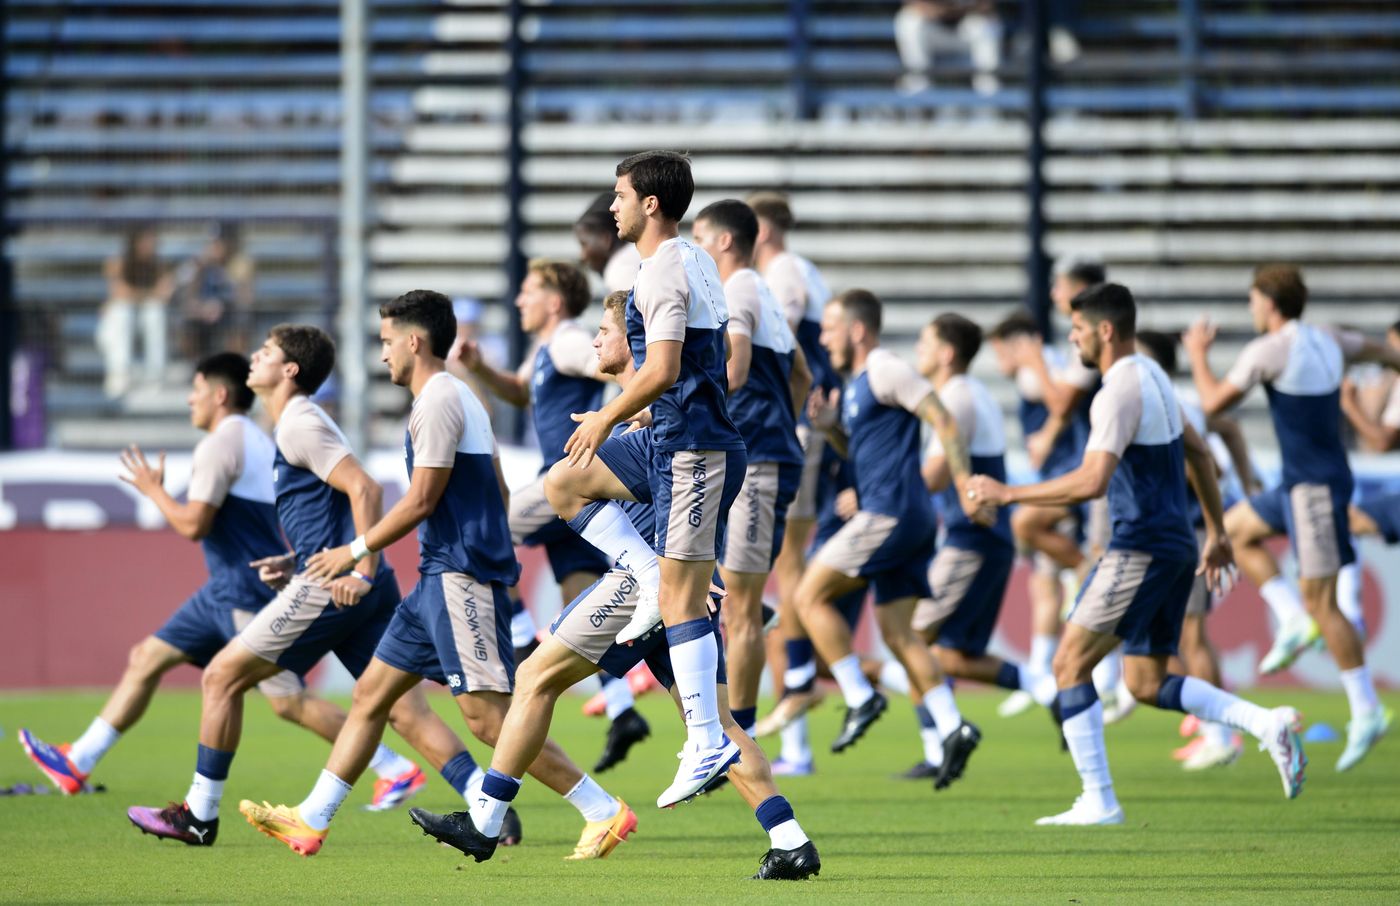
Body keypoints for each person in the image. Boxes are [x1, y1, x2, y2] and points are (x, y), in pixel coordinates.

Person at [406, 292, 820, 880]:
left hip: (639, 588)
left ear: (638, 342)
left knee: (533, 678)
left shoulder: (657, 433)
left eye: (606, 331)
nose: (597, 341)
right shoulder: (663, 421)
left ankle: (486, 820)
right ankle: (790, 840)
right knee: (717, 727)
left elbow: (573, 487)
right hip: (681, 592)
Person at [239, 292, 630, 859]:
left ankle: (602, 810)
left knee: (490, 721)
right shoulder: (454, 398)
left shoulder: (441, 398)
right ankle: (312, 818)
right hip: (438, 576)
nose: (383, 356)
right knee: (371, 694)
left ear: (414, 341)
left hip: (460, 575)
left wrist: (357, 548)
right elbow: (494, 487)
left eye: (386, 342)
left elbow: (423, 498)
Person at [18, 353, 423, 809]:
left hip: (242, 589)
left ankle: (392, 767)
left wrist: (153, 491)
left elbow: (195, 524)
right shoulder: (255, 436)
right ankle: (80, 759)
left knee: (287, 701)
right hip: (224, 589)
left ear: (220, 394)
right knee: (146, 658)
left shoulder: (221, 444)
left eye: (195, 389)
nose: (189, 399)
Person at [968, 282, 1306, 826]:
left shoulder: (1118, 389)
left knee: (1067, 663)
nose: (1072, 338)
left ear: (1104, 330)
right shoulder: (1152, 376)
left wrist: (1009, 493)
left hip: (1140, 546)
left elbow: (1092, 481)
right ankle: (1266, 724)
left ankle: (1098, 799)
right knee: (1145, 682)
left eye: (1077, 329)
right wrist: (1216, 532)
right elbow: (1199, 452)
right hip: (1174, 546)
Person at [126, 324, 473, 846]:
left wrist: (358, 568)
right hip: (347, 580)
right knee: (402, 707)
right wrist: (298, 560)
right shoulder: (294, 423)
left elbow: (365, 488)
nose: (254, 357)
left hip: (336, 585)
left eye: (265, 352)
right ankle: (487, 807)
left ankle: (199, 815)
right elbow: (335, 506)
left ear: (289, 370)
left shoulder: (297, 422)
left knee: (221, 678)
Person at [542, 151, 748, 808]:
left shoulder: (661, 272)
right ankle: (648, 576)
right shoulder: (693, 261)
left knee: (686, 603)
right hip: (675, 440)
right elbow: (710, 356)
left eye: (621, 194)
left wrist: (607, 416)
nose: (612, 206)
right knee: (563, 483)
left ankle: (708, 740)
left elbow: (661, 369)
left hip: (693, 449)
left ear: (650, 204)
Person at [1183, 264, 1398, 771]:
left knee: (1325, 603)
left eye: (1253, 300)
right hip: (1299, 483)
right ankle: (1292, 616)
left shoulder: (1271, 348)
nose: (1252, 309)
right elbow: (1387, 352)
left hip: (1316, 491)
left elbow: (1213, 401)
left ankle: (1365, 708)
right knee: (1231, 531)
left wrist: (1196, 353)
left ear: (1268, 302)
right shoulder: (1329, 338)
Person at [455, 263, 651, 773]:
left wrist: (622, 417)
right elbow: (520, 391)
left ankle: (520, 634)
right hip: (576, 495)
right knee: (583, 597)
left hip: (566, 477)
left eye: (528, 291)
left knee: (482, 531)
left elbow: (622, 370)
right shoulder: (545, 350)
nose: (520, 300)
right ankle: (624, 709)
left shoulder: (568, 341)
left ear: (556, 301)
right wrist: (479, 367)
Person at [796, 288, 984, 774]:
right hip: (907, 516)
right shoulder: (859, 383)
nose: (823, 336)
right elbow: (867, 452)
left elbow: (941, 417)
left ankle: (859, 695)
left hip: (890, 514)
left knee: (807, 596)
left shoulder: (885, 368)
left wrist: (965, 486)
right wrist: (831, 429)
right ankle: (951, 726)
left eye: (831, 328)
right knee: (901, 635)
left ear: (857, 330)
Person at [905, 315, 1056, 782]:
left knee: (909, 637)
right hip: (982, 540)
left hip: (971, 542)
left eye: (925, 341)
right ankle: (1050, 691)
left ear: (947, 353)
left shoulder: (957, 399)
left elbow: (932, 477)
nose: (918, 349)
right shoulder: (971, 394)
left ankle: (940, 745)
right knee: (950, 657)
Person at [691, 199, 810, 737]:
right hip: (765, 454)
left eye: (699, 237)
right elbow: (802, 374)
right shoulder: (761, 292)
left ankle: (736, 737)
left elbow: (734, 372)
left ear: (723, 242)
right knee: (734, 598)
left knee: (737, 607)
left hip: (759, 461)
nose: (693, 248)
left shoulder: (737, 288)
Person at [746, 191, 837, 744]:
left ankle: (801, 674)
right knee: (774, 569)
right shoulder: (797, 270)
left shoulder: (783, 274)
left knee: (787, 562)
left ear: (762, 230)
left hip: (796, 424)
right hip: (802, 422)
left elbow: (781, 349)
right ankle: (796, 702)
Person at [1135, 329, 1245, 770]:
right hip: (1179, 531)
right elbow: (1229, 430)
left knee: (1193, 636)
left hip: (1190, 530)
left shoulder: (1168, 402)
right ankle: (1213, 728)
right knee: (1184, 637)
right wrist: (1249, 478)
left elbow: (1207, 464)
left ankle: (1222, 734)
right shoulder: (1172, 401)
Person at [98, 224, 173, 398]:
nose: (151, 245)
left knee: (155, 312)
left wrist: (138, 295)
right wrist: (149, 294)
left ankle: (155, 376)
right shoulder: (119, 261)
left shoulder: (158, 263)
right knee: (123, 311)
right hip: (114, 328)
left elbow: (164, 294)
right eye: (146, 241)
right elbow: (120, 293)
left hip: (141, 321)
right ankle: (120, 374)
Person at [175, 222, 255, 363]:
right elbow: (188, 295)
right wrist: (202, 308)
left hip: (229, 311)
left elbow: (244, 298)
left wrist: (221, 304)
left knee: (239, 320)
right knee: (186, 320)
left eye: (220, 242)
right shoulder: (200, 262)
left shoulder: (240, 262)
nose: (216, 246)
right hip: (204, 311)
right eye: (214, 242)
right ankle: (197, 367)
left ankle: (234, 366)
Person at [894, 1, 1003, 98]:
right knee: (908, 21)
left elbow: (987, 5)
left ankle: (988, 89)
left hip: (967, 30)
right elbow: (913, 4)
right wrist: (938, 10)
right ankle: (918, 85)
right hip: (934, 29)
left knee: (987, 24)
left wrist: (957, 9)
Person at [575, 191, 643, 294]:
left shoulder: (620, 270)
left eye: (584, 244)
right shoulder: (637, 254)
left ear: (605, 239)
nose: (582, 256)